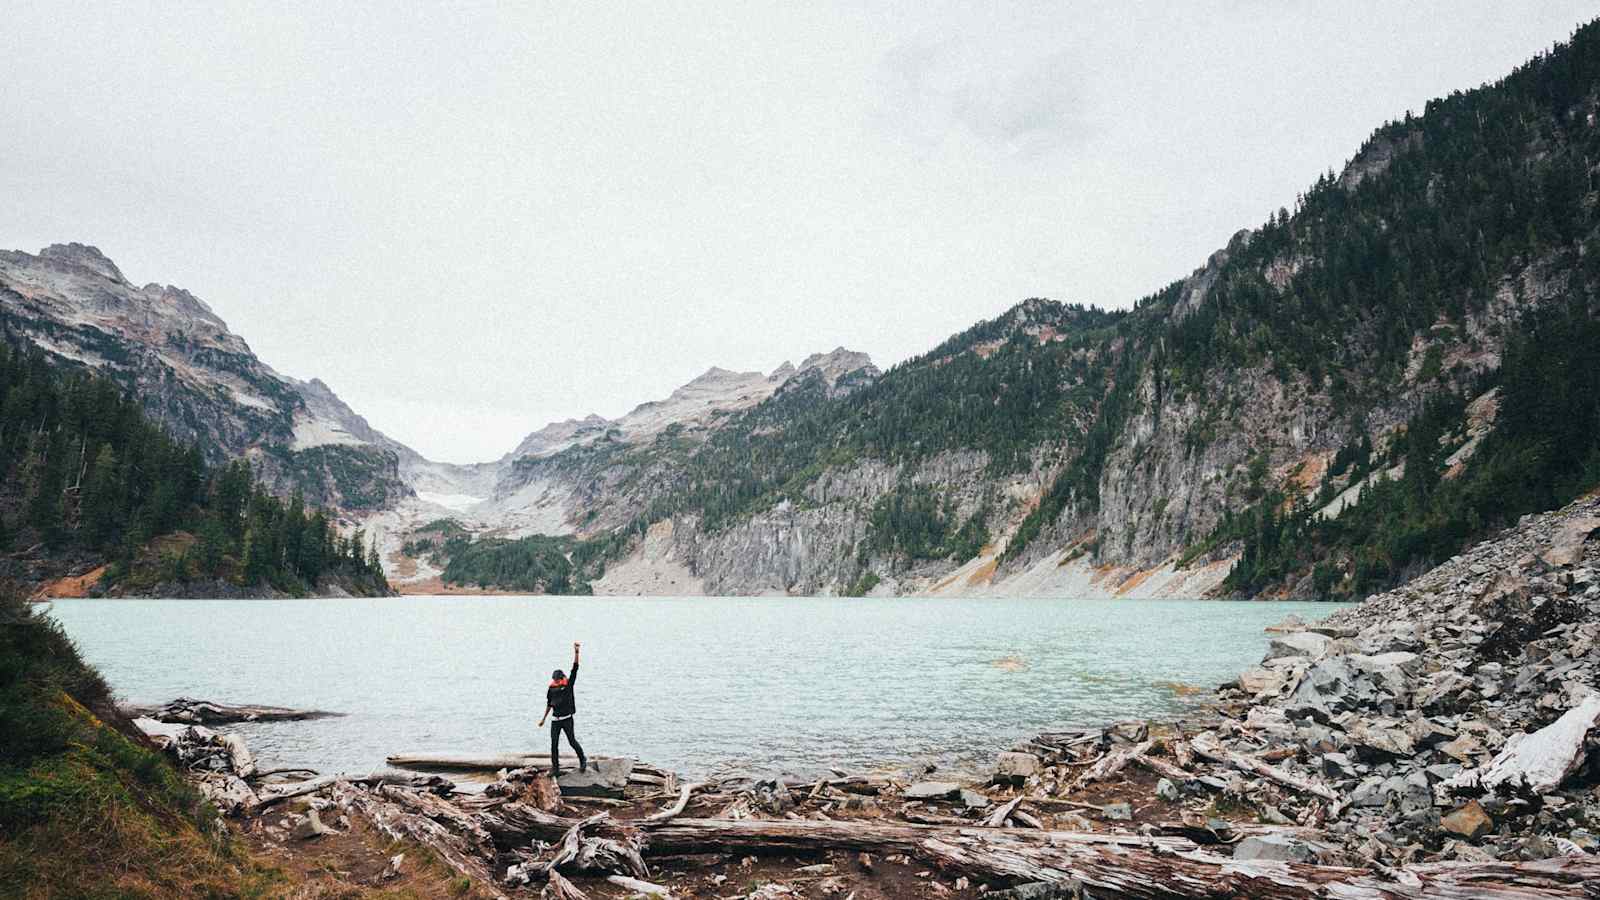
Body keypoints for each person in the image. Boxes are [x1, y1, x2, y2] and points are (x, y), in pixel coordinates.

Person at [538, 641, 587, 777]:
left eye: (558, 680)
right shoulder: (552, 688)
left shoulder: (568, 685)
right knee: (554, 745)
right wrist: (543, 719)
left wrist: (577, 652)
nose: (556, 682)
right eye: (555, 680)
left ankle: (582, 760)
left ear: (562, 678)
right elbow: (549, 704)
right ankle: (555, 768)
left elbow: (575, 668)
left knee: (572, 741)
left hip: (567, 719)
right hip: (555, 720)